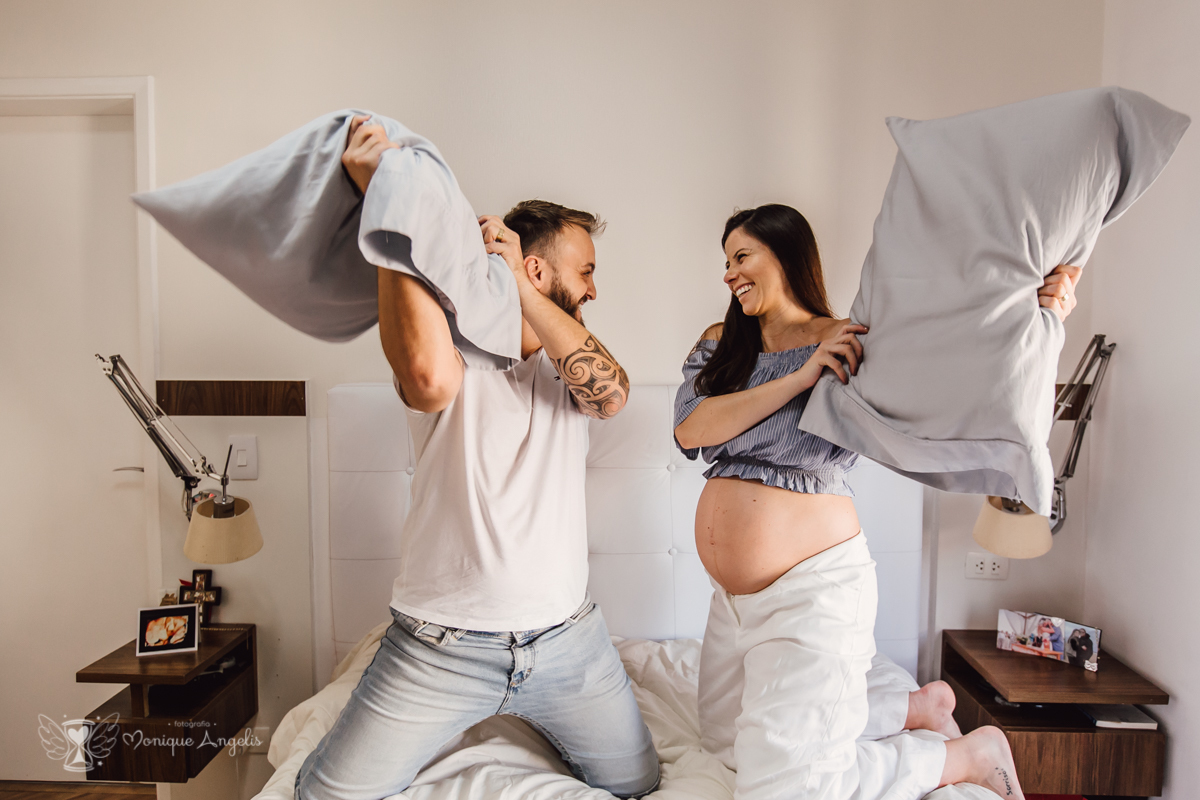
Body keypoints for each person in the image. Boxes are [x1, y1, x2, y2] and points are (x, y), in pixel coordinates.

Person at [295, 118, 658, 799]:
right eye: (586, 272)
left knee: (638, 782)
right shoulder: (451, 347)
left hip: (566, 645)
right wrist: (388, 202)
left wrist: (518, 288)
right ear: (538, 267)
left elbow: (612, 398)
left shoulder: (571, 369)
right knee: (325, 795)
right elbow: (427, 382)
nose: (593, 290)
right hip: (439, 649)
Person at [674, 204, 1082, 800]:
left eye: (742, 256)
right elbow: (691, 428)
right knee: (723, 745)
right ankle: (911, 707)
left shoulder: (847, 342)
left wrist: (1042, 314)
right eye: (726, 262)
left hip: (812, 592)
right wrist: (799, 377)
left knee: (785, 785)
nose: (730, 274)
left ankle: (964, 757)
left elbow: (955, 362)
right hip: (734, 601)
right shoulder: (723, 346)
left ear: (786, 255)